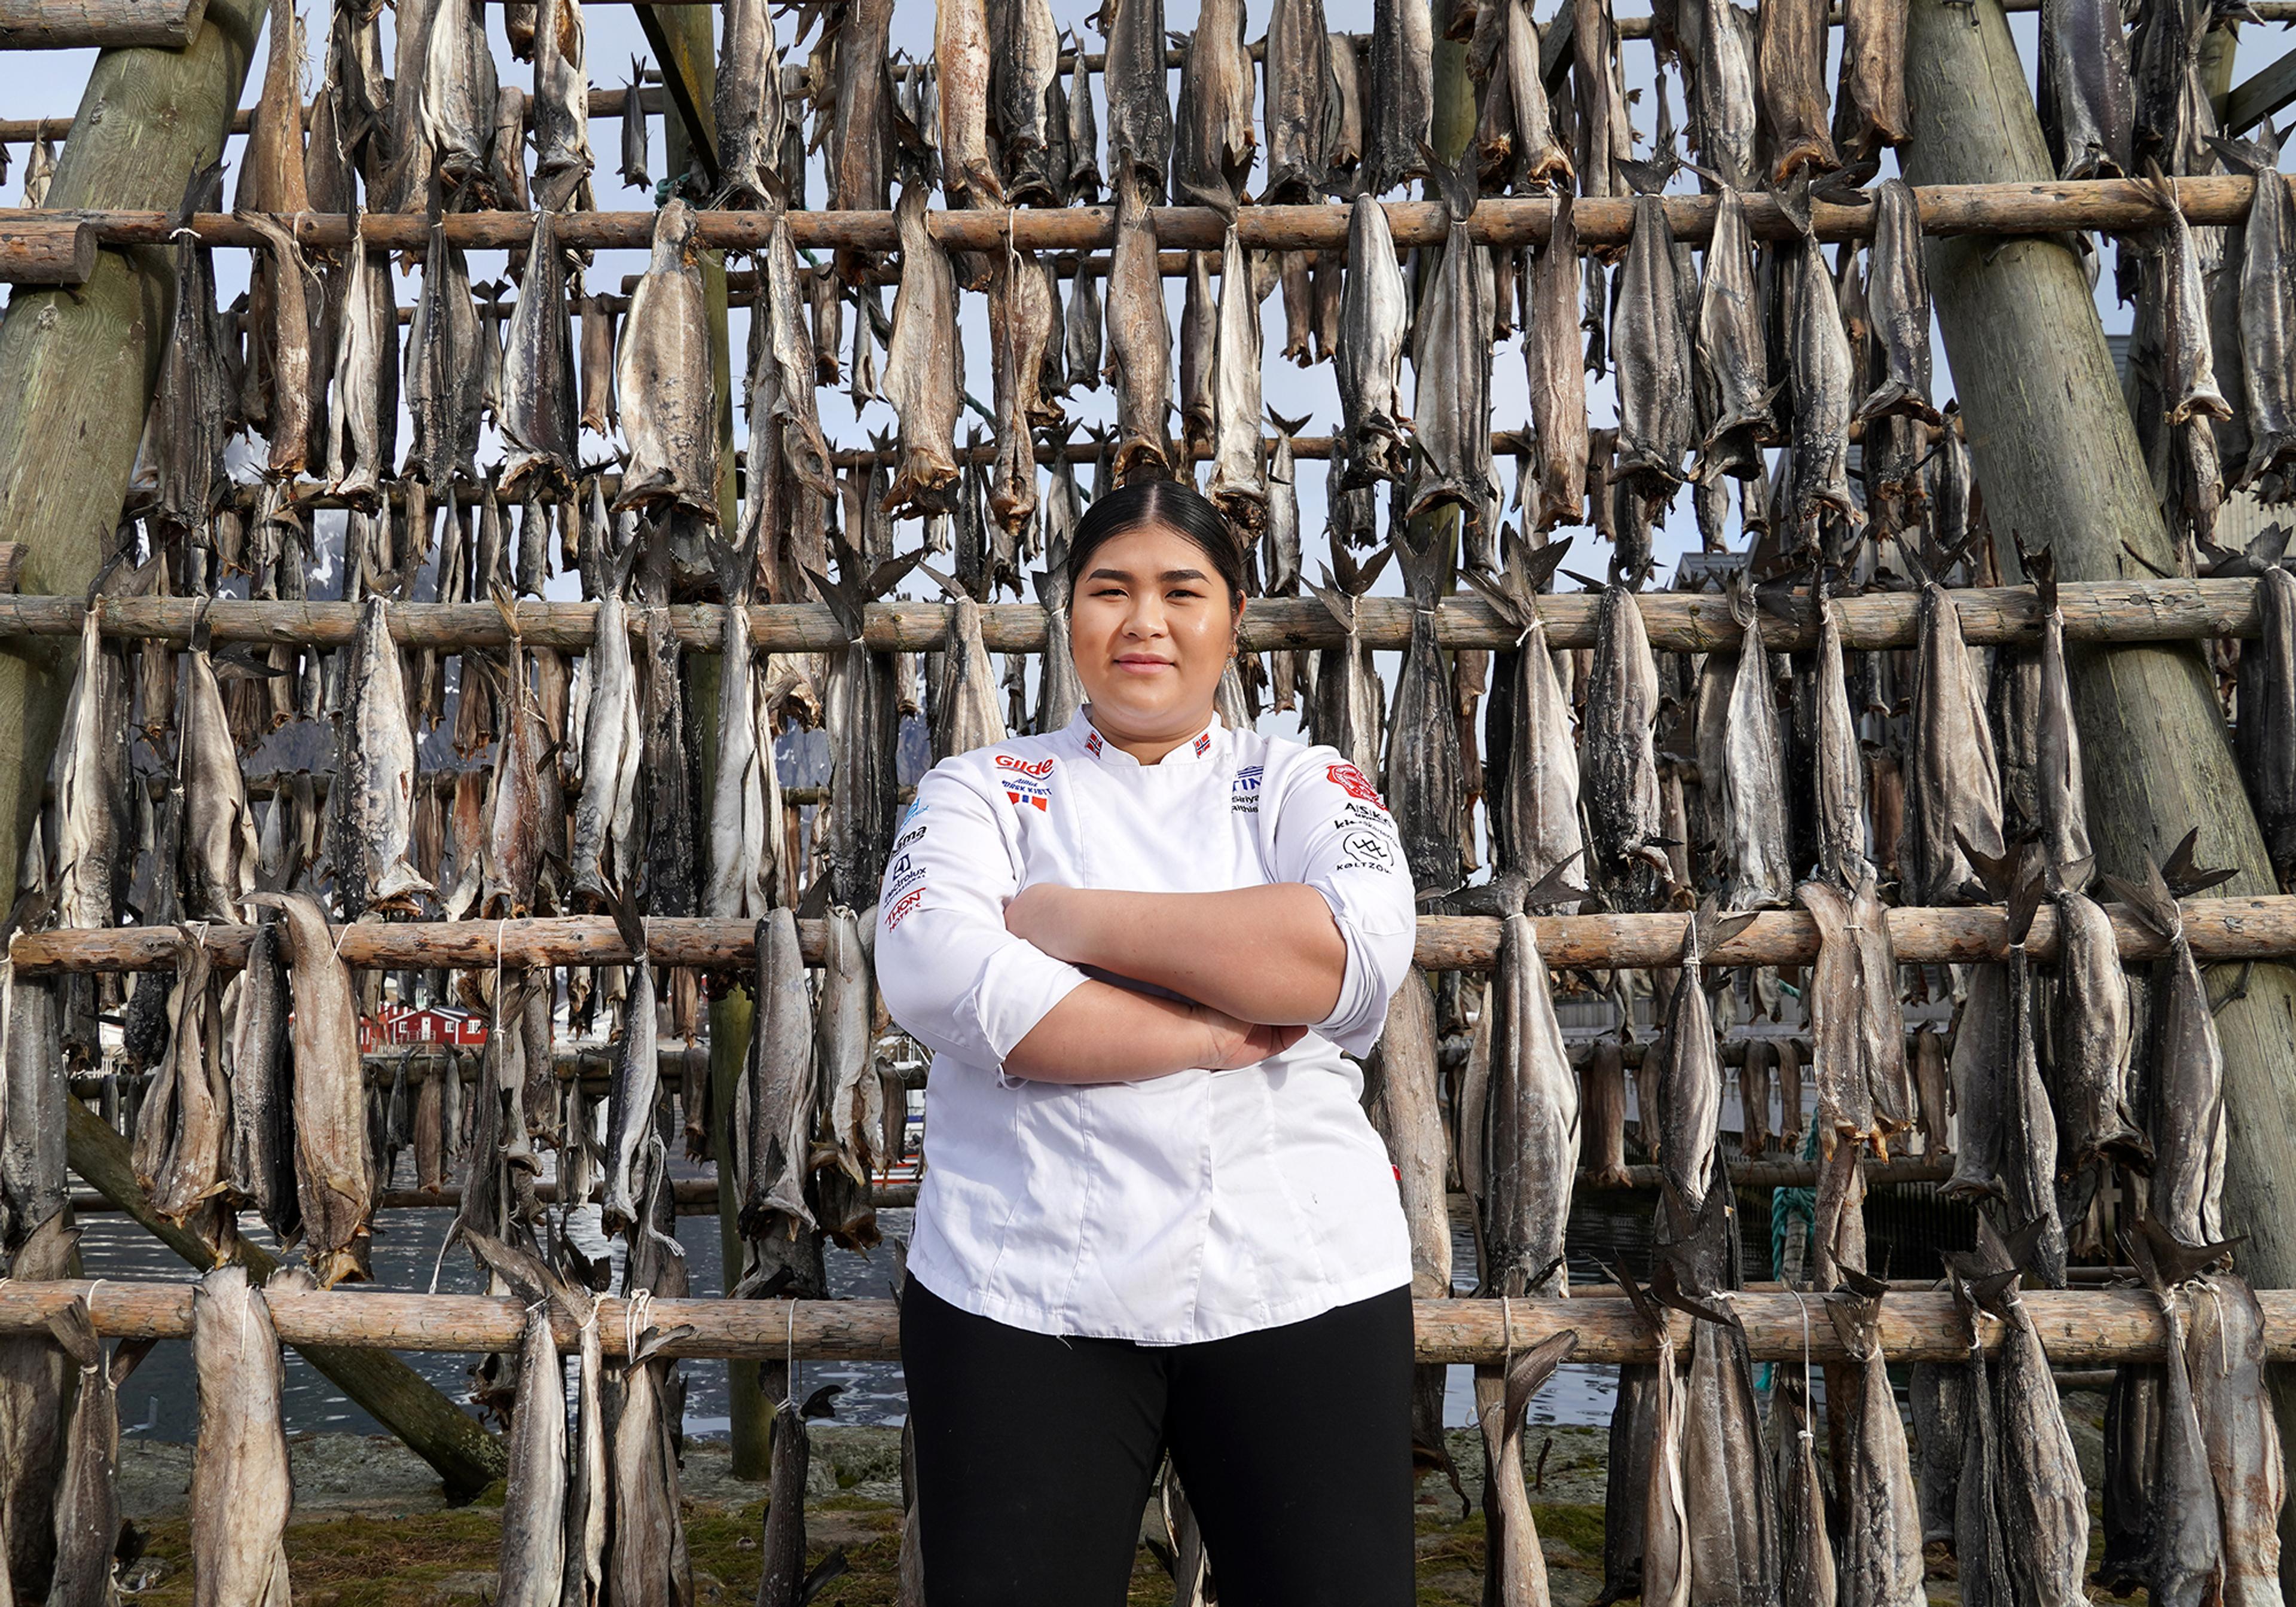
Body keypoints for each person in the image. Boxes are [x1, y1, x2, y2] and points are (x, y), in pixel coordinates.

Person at [874, 479, 1421, 1606]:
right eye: (1108, 590)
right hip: (1018, 1287)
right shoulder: (975, 790)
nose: (1144, 623)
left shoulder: (1304, 780)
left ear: (1234, 620)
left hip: (1298, 1276)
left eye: (1184, 590)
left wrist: (1077, 920)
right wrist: (1215, 1037)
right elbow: (938, 970)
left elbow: (1345, 951)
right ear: (1065, 613)